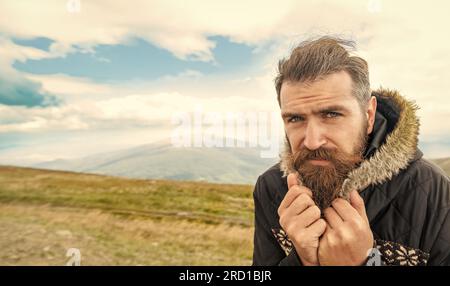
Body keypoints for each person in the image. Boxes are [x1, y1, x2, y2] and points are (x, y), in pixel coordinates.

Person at [252, 36, 450, 266]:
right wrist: (302, 260)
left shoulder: (434, 194)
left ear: (368, 115)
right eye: (295, 118)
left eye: (332, 114)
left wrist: (365, 262)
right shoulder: (272, 188)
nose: (313, 141)